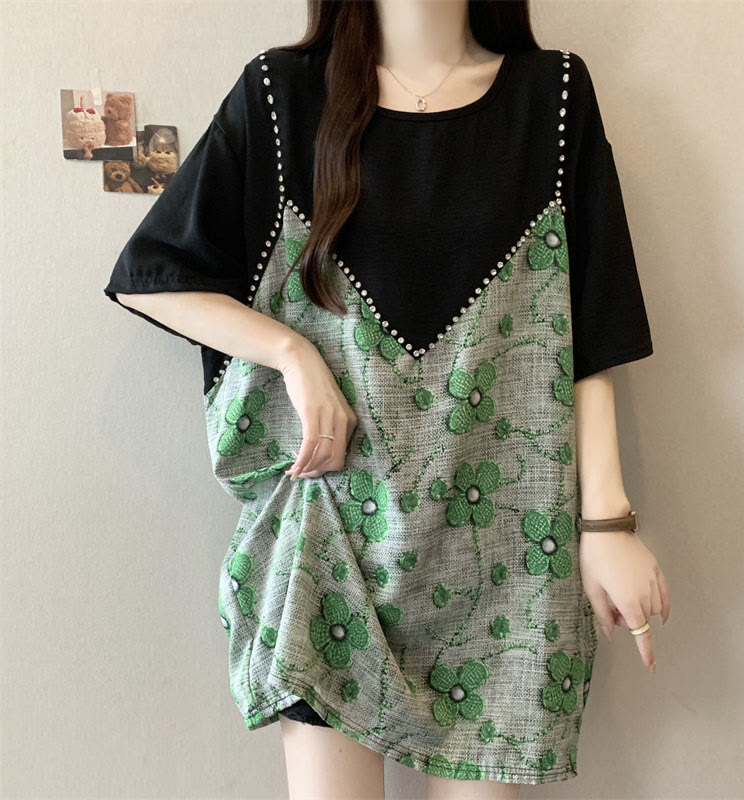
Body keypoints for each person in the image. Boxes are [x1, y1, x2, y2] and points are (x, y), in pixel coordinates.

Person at [103, 1, 671, 797]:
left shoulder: (555, 97)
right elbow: (155, 275)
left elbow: (592, 326)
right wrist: (293, 354)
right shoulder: (281, 96)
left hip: (512, 551)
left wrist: (606, 524)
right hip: (329, 539)